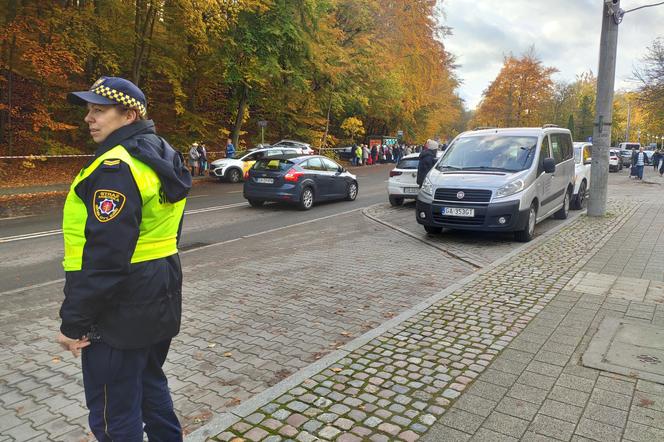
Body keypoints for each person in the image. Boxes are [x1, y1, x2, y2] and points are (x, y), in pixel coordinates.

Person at [58, 76, 191, 441]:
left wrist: (74, 322)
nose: (89, 118)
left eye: (99, 111)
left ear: (129, 115)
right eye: (88, 110)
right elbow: (169, 230)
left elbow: (105, 258)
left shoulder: (115, 168)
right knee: (150, 388)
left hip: (120, 306)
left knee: (113, 413)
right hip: (159, 291)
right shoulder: (163, 154)